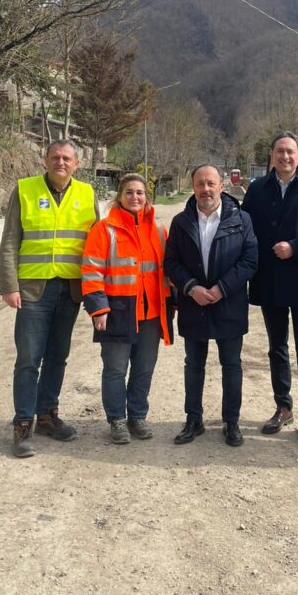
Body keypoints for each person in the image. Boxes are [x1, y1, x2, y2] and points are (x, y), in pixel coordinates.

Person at [0, 139, 99, 458]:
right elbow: (10, 241)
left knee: (58, 356)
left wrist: (97, 290)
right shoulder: (25, 190)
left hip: (70, 289)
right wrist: (9, 285)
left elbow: (97, 244)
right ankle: (23, 423)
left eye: (67, 158)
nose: (61, 162)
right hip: (33, 289)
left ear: (77, 164)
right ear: (45, 160)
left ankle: (47, 415)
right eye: (55, 157)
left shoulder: (87, 194)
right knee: (28, 359)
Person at [241, 132, 298, 448]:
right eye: (280, 151)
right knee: (277, 347)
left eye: (290, 151)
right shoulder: (257, 190)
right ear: (271, 154)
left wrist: (295, 247)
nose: (285, 156)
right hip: (270, 280)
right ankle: (283, 406)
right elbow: (244, 229)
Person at [163, 165, 258, 447]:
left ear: (221, 186)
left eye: (211, 183)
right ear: (193, 186)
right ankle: (194, 419)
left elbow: (250, 261)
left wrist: (221, 288)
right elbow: (171, 262)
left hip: (229, 303)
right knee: (194, 364)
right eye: (200, 184)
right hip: (194, 303)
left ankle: (232, 422)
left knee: (231, 365)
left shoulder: (241, 219)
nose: (205, 189)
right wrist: (191, 288)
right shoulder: (181, 222)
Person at [81, 173, 173, 444]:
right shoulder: (104, 230)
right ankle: (117, 420)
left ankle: (137, 416)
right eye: (129, 192)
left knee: (144, 369)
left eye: (140, 193)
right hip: (117, 312)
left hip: (151, 314)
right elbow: (91, 271)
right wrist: (98, 309)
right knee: (115, 370)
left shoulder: (158, 230)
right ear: (119, 197)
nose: (135, 197)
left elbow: (169, 270)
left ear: (147, 197)